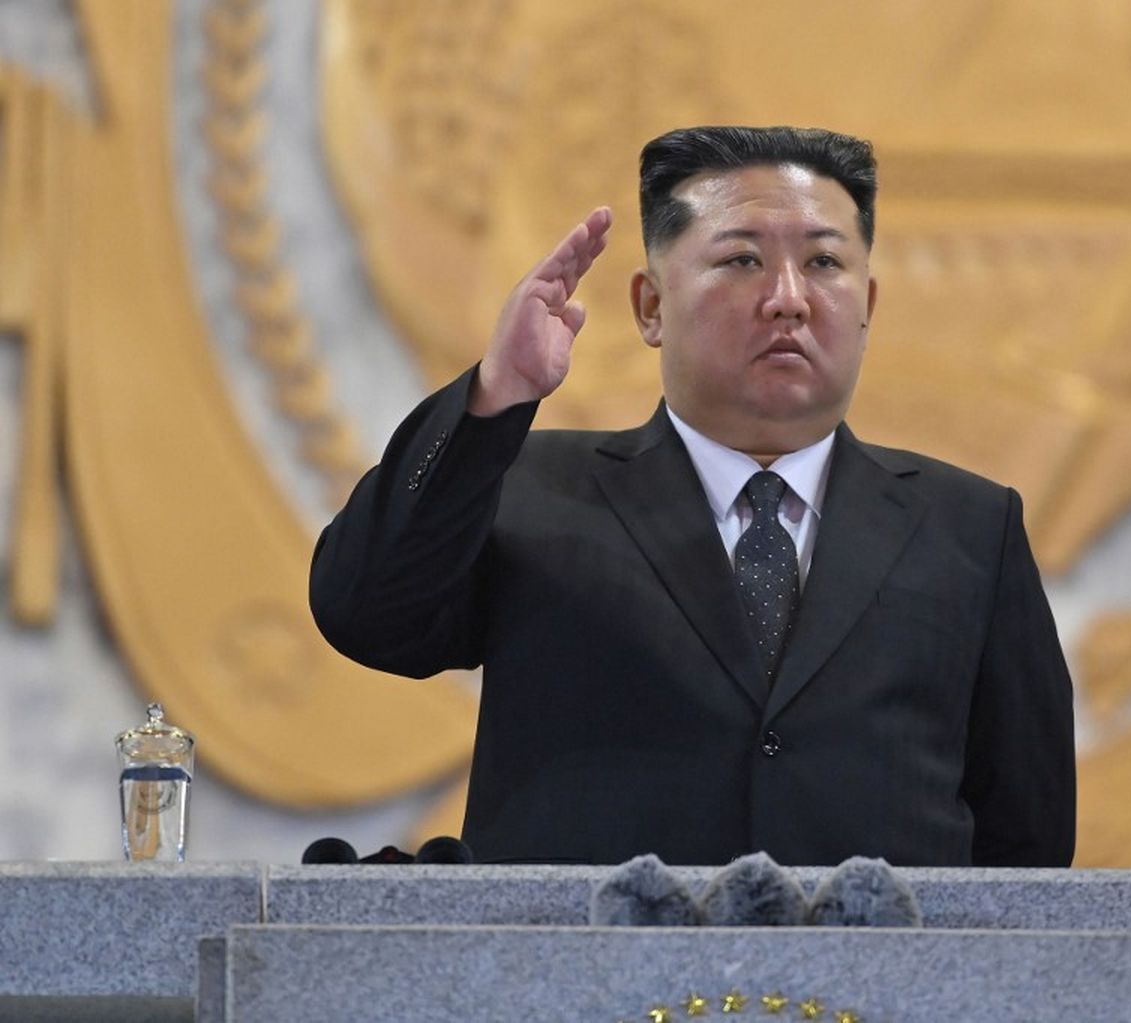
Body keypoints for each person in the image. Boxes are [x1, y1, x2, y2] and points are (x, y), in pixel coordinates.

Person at [310, 126, 1075, 867]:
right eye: (742, 259)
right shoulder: (528, 488)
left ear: (867, 301)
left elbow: (1026, 843)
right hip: (589, 955)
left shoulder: (972, 528)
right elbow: (369, 613)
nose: (788, 298)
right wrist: (493, 396)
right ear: (651, 306)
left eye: (823, 262)